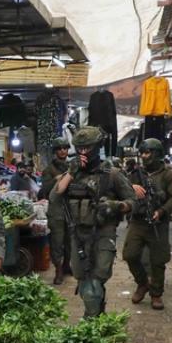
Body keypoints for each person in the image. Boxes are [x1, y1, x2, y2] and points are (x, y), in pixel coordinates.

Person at [53, 126, 135, 317]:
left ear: (97, 147)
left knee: (96, 281)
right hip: (77, 234)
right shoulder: (71, 173)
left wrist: (117, 206)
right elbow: (55, 197)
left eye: (87, 148)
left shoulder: (112, 174)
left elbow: (133, 201)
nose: (83, 152)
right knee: (83, 280)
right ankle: (97, 310)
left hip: (103, 232)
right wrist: (71, 173)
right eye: (79, 148)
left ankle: (92, 319)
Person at [123, 138, 172, 311]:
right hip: (138, 221)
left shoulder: (169, 175)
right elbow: (122, 189)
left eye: (147, 152)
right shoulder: (135, 173)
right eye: (142, 153)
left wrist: (162, 211)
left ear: (156, 154)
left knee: (158, 260)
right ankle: (142, 283)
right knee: (130, 254)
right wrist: (131, 187)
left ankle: (156, 294)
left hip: (158, 223)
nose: (143, 156)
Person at [39, 137, 73, 285]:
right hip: (56, 208)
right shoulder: (49, 170)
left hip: (71, 208)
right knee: (57, 242)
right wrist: (57, 180)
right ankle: (58, 269)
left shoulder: (73, 166)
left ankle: (66, 265)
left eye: (65, 148)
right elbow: (44, 191)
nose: (63, 151)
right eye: (59, 148)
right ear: (55, 151)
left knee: (70, 241)